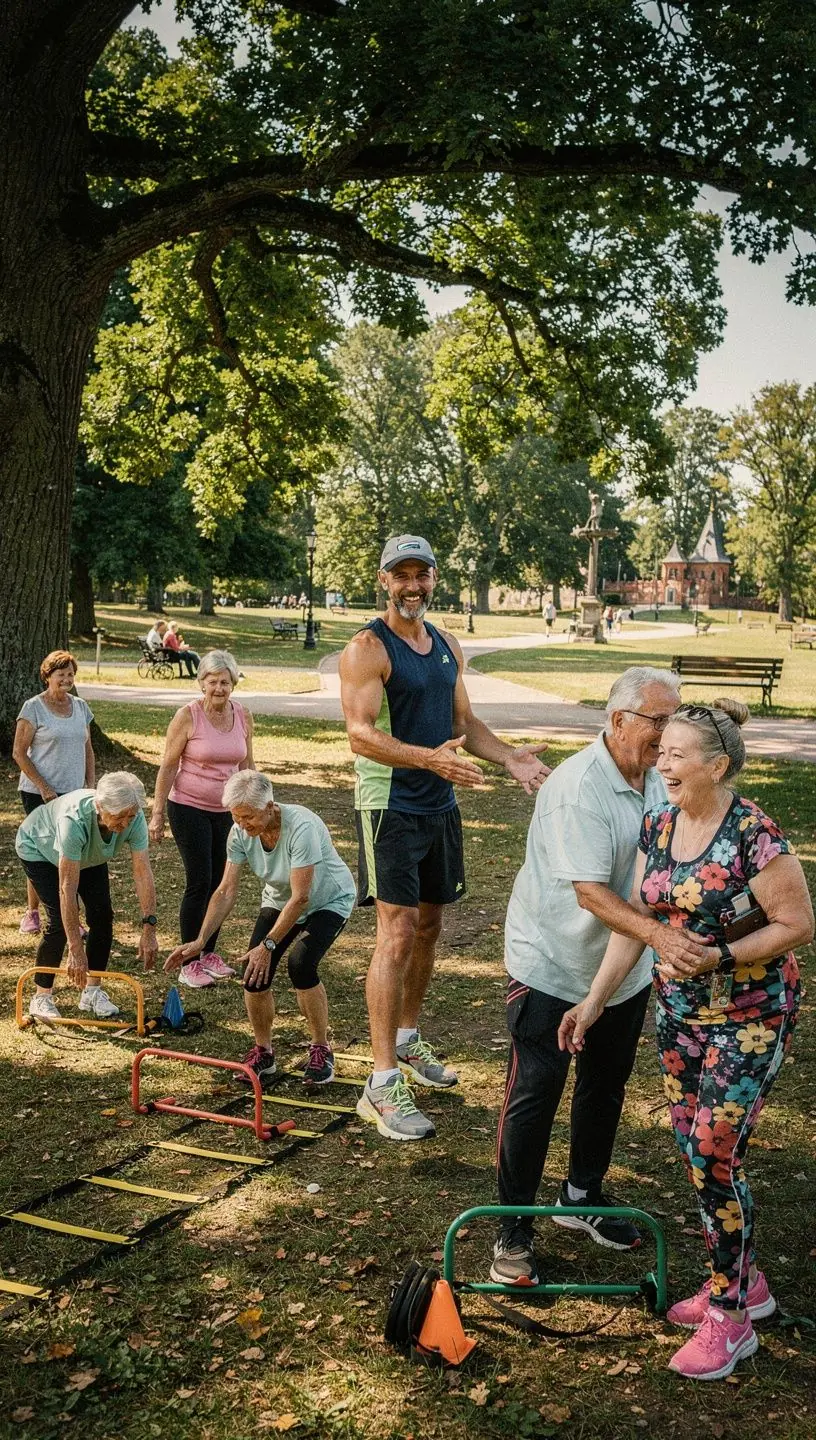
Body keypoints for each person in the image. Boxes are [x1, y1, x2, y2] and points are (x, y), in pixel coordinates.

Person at [558, 699, 813, 1381]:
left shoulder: (754, 834)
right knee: (692, 1151)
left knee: (712, 1153)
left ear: (717, 764)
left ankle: (731, 1317)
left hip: (752, 1016)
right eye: (660, 750)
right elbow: (640, 920)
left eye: (676, 752)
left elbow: (796, 921)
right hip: (680, 1017)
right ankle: (745, 1284)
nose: (661, 761)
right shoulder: (660, 822)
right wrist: (593, 1002)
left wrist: (722, 959)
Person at [491, 666, 715, 1287]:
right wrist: (663, 937)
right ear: (618, 721)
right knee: (535, 1092)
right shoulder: (577, 786)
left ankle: (581, 1197)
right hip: (552, 963)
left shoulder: (655, 777)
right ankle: (512, 1230)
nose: (670, 735)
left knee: (605, 1083)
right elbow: (590, 894)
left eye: (677, 720)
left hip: (623, 969)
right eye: (659, 722)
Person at [339, 534, 551, 1142]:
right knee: (396, 932)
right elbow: (360, 733)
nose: (412, 585)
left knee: (430, 926)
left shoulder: (446, 645)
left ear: (435, 579)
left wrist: (509, 757)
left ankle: (406, 1040)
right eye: (401, 575)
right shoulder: (366, 649)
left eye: (422, 574)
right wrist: (430, 762)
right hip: (390, 807)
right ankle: (380, 1086)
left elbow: (463, 723)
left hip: (439, 802)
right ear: (384, 580)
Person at [165, 772, 356, 1084]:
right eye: (236, 817)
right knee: (254, 976)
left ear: (269, 806)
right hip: (280, 900)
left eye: (248, 816)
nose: (241, 824)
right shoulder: (239, 832)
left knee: (301, 964)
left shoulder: (302, 828)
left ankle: (321, 1048)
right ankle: (264, 1053)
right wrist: (200, 940)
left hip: (327, 901)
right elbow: (226, 890)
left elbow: (301, 898)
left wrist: (267, 945)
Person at [149, 650, 254, 988]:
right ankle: (188, 960)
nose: (219, 688)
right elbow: (168, 765)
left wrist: (255, 809)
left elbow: (247, 765)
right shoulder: (187, 716)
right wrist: (157, 813)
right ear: (202, 683)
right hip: (189, 807)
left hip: (228, 811)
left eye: (225, 682)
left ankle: (208, 952)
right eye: (212, 682)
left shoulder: (243, 715)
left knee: (219, 884)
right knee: (200, 880)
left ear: (233, 684)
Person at [15, 772, 158, 1020]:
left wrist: (149, 928)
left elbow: (142, 873)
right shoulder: (74, 820)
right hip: (39, 847)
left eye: (130, 816)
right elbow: (67, 889)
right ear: (99, 806)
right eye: (118, 817)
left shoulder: (133, 816)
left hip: (89, 854)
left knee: (102, 915)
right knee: (59, 923)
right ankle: (41, 996)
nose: (124, 824)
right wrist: (75, 948)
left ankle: (92, 992)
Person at [12, 649, 96, 935]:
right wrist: (44, 788)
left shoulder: (81, 707)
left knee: (71, 855)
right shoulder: (33, 707)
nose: (67, 680)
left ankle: (72, 918)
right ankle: (33, 912)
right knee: (43, 852)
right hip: (40, 793)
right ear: (48, 676)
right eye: (61, 675)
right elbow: (19, 753)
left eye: (71, 674)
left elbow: (88, 748)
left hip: (74, 795)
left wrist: (91, 784)